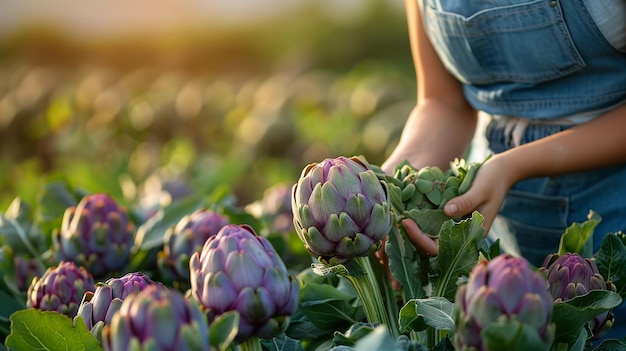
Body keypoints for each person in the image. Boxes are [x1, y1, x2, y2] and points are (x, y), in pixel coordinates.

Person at [381, 0, 626, 341]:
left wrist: (515, 165)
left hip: (613, 214)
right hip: (491, 221)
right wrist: (387, 186)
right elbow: (443, 102)